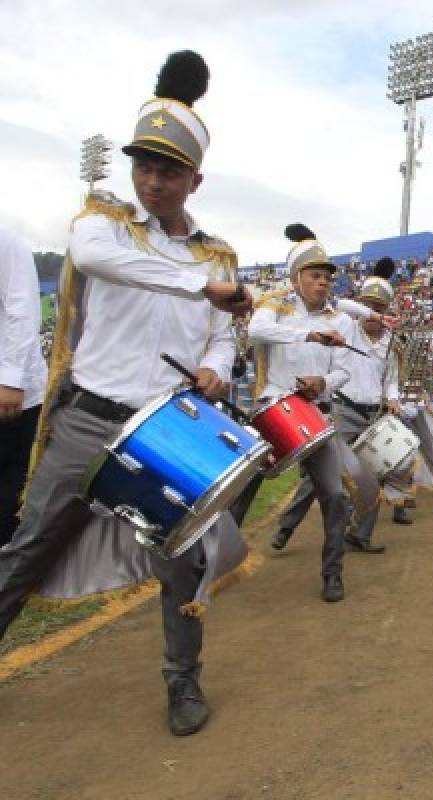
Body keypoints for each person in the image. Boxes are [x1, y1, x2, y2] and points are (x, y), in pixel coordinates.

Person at [0, 51, 252, 736]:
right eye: (143, 165)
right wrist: (201, 285)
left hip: (163, 427)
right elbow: (94, 259)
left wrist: (216, 367)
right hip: (89, 419)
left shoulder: (218, 255)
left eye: (168, 170)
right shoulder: (102, 222)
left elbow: (225, 336)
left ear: (195, 178)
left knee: (182, 562)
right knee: (30, 548)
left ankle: (182, 684)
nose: (153, 180)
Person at [249, 224, 354, 602]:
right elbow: (257, 332)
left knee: (336, 496)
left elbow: (343, 370)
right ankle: (213, 561)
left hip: (316, 414)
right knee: (239, 487)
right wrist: (306, 335)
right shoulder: (275, 306)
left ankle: (332, 572)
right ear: (296, 279)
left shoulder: (341, 320)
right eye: (315, 276)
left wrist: (321, 383)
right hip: (276, 409)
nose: (323, 282)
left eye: (327, 277)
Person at [273, 259, 399, 554]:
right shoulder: (347, 326)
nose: (373, 313)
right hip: (343, 411)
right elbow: (341, 303)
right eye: (369, 307)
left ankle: (361, 534)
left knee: (372, 476)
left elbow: (390, 378)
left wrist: (393, 397)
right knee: (323, 474)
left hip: (373, 416)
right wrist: (367, 309)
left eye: (380, 308)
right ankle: (286, 526)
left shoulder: (391, 343)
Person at [0, 226, 46, 546]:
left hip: (11, 394)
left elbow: (23, 311)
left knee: (5, 491)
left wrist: (10, 379)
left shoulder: (7, 240)